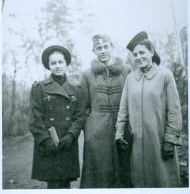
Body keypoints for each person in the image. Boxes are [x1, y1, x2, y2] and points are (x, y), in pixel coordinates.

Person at [115, 31, 182, 187]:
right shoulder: (131, 78)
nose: (138, 57)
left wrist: (170, 141)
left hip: (159, 142)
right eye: (135, 54)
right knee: (140, 182)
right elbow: (123, 109)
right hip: (136, 144)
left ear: (151, 52)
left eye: (142, 52)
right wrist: (119, 133)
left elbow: (174, 111)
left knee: (163, 180)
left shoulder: (165, 76)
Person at [29, 45, 86, 189]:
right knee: (53, 184)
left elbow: (79, 117)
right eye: (53, 63)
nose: (57, 66)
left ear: (66, 63)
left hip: (68, 143)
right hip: (49, 144)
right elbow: (35, 119)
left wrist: (70, 136)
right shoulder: (39, 88)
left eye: (60, 62)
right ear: (48, 66)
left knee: (65, 183)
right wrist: (45, 140)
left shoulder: (76, 89)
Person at [80, 34, 131, 188]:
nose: (103, 51)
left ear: (112, 47)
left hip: (122, 126)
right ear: (94, 50)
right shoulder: (87, 74)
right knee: (99, 173)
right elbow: (84, 106)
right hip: (97, 130)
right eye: (99, 48)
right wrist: (89, 128)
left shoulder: (126, 70)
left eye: (106, 46)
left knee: (124, 168)